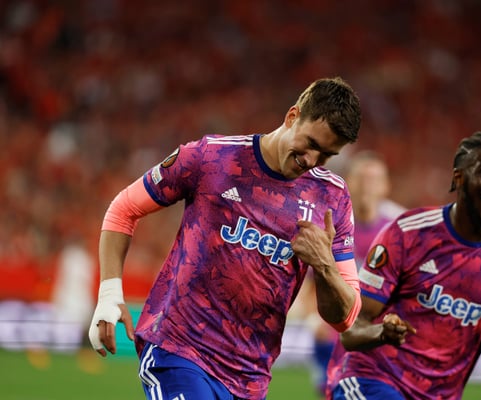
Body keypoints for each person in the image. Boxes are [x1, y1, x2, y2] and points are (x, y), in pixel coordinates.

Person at [87, 77, 363, 400]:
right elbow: (123, 209)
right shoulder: (212, 158)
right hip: (179, 351)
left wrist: (325, 265)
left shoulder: (332, 198)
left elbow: (346, 317)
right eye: (311, 144)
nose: (312, 161)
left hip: (250, 377)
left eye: (327, 155)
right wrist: (109, 294)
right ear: (292, 116)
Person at [327, 131, 481, 400]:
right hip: (372, 380)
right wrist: (381, 332)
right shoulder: (408, 234)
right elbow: (352, 330)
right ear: (459, 178)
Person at [298, 150, 406, 396]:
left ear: (386, 186)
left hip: (376, 334)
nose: (367, 185)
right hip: (335, 331)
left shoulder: (399, 230)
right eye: (361, 178)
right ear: (348, 182)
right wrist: (312, 320)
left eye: (374, 179)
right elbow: (310, 282)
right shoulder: (329, 224)